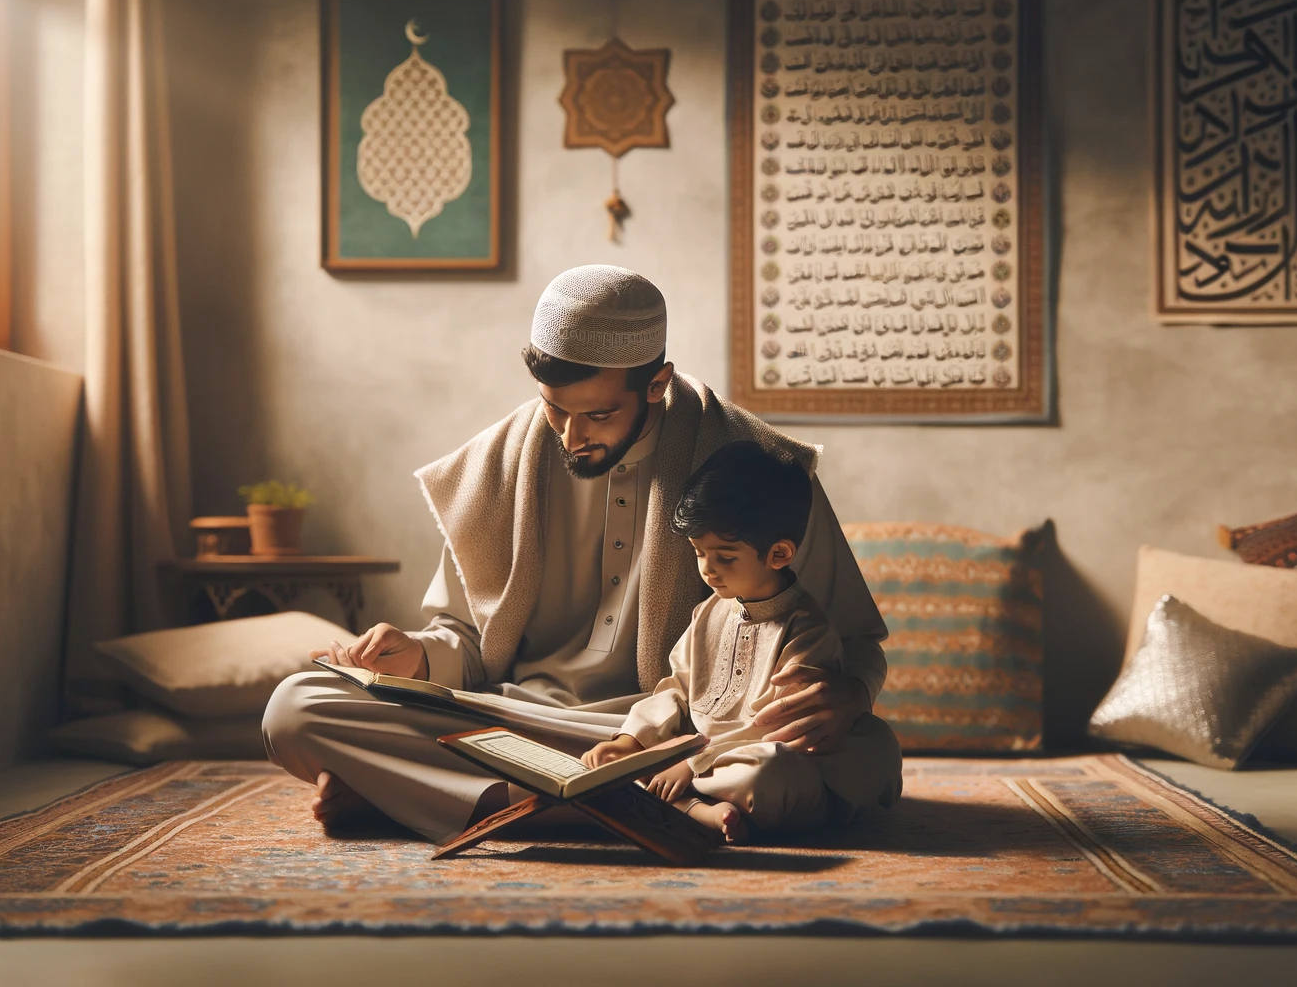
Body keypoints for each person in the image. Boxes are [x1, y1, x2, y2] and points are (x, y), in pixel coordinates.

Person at [261, 264, 901, 844]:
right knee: (296, 707)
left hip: (673, 735)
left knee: (846, 756)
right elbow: (467, 640)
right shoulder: (500, 464)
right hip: (513, 720)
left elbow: (854, 644)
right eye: (554, 410)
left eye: (597, 415)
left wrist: (847, 697)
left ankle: (411, 799)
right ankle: (644, 812)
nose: (571, 436)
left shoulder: (755, 470)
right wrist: (419, 655)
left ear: (657, 384)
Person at [583, 441, 849, 844]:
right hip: (693, 755)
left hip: (749, 758)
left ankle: (684, 802)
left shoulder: (807, 630)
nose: (708, 570)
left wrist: (693, 762)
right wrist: (631, 740)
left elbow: (778, 729)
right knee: (616, 767)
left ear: (778, 554)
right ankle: (702, 812)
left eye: (725, 557)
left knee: (770, 773)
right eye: (699, 553)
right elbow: (677, 688)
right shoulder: (709, 612)